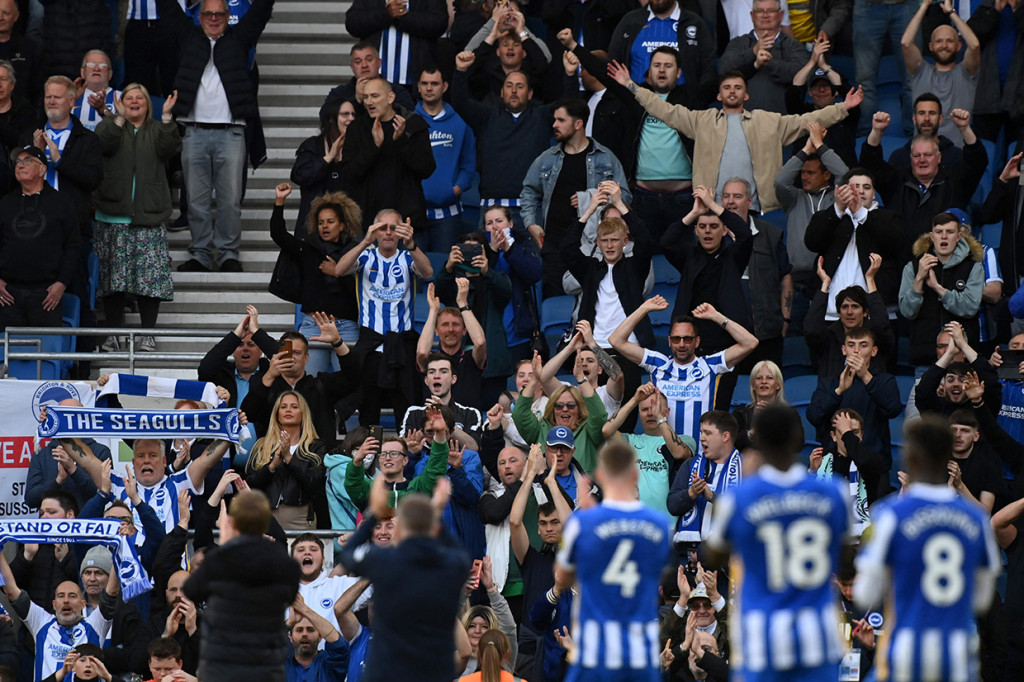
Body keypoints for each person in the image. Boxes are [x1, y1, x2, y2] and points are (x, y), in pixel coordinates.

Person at [705, 405, 850, 681]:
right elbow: (844, 561)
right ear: (798, 437)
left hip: (762, 637)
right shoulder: (834, 493)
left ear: (756, 441)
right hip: (817, 635)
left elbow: (713, 553)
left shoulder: (740, 497)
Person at [854, 418, 1000, 682]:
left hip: (906, 652)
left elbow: (865, 593)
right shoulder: (977, 518)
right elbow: (981, 598)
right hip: (956, 654)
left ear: (910, 456)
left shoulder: (889, 514)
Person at [608, 66, 862, 213]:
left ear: (746, 95)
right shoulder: (701, 120)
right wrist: (630, 85)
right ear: (718, 95)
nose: (732, 91)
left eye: (738, 87)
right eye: (727, 87)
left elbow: (807, 119)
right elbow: (663, 109)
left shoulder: (768, 121)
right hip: (710, 208)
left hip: (756, 210)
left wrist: (843, 107)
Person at [158, 0, 275, 273]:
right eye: (208, 14)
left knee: (230, 201)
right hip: (193, 132)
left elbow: (260, 11)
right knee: (196, 202)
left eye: (219, 14)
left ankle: (228, 254)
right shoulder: (187, 37)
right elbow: (168, 9)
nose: (213, 18)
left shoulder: (240, 39)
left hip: (231, 132)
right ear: (199, 17)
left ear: (228, 16)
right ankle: (199, 253)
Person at [554, 441, 671, 681]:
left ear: (599, 475)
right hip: (640, 650)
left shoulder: (583, 523)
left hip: (596, 649)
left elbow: (562, 577)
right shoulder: (660, 525)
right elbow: (656, 572)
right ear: (636, 474)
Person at [337, 475, 471, 682]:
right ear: (434, 530)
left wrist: (374, 514)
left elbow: (347, 555)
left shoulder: (383, 560)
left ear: (397, 531)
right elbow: (462, 555)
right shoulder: (451, 564)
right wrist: (436, 513)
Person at [323, 207, 433, 427]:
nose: (389, 233)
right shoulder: (366, 255)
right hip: (371, 346)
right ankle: (368, 455)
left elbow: (428, 273)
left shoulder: (406, 256)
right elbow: (340, 270)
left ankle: (408, 454)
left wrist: (411, 245)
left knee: (407, 409)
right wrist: (365, 241)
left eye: (394, 228)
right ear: (375, 230)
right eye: (383, 228)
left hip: (402, 345)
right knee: (368, 408)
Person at [93, 84, 181, 353]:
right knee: (113, 281)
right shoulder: (111, 125)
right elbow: (103, 144)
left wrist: (167, 118)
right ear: (121, 103)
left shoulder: (157, 128)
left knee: (149, 281)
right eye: (128, 97)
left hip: (149, 216)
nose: (134, 101)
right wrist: (116, 119)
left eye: (139, 97)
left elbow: (171, 149)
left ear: (147, 104)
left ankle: (147, 335)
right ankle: (112, 335)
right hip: (112, 215)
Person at [184, 490, 301, 682]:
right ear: (266, 522)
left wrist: (226, 545)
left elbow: (191, 590)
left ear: (233, 523)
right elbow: (290, 596)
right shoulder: (285, 563)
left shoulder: (221, 558)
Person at [610, 298, 759, 445]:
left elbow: (750, 342)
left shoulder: (710, 365)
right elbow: (616, 340)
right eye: (676, 339)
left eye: (687, 339)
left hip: (700, 455)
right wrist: (644, 309)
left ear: (697, 342)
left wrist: (716, 316)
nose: (681, 344)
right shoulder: (657, 363)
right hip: (663, 456)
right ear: (669, 341)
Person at [519, 98, 630, 295]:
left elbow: (625, 198)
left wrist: (590, 197)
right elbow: (528, 191)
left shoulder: (606, 158)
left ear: (578, 124)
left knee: (590, 308)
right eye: (554, 120)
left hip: (592, 247)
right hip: (554, 247)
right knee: (554, 306)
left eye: (561, 120)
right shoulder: (547, 158)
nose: (554, 125)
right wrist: (531, 223)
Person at [449, 50, 557, 227]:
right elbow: (460, 103)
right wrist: (460, 71)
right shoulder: (487, 116)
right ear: (501, 92)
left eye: (520, 86)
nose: (514, 91)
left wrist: (570, 75)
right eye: (509, 86)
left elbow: (570, 106)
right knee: (486, 256)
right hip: (492, 209)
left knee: (532, 256)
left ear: (530, 93)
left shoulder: (542, 117)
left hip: (531, 209)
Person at [271, 183, 362, 372]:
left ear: (342, 225)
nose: (325, 226)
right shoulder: (308, 248)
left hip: (346, 327)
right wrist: (280, 201)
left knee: (349, 384)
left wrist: (338, 271)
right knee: (307, 382)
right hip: (313, 326)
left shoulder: (355, 252)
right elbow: (279, 235)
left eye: (330, 221)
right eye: (320, 222)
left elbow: (356, 292)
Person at [860, 110, 987, 246]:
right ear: (910, 159)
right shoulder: (896, 182)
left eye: (928, 155)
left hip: (945, 261)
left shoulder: (954, 182)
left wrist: (964, 129)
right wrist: (877, 132)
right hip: (901, 261)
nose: (922, 160)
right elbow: (870, 164)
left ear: (939, 158)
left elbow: (977, 162)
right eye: (916, 155)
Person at [657, 186, 753, 356]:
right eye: (702, 226)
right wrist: (694, 213)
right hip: (691, 342)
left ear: (724, 231)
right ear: (696, 230)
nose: (707, 231)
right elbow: (666, 242)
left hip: (726, 340)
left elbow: (745, 234)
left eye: (714, 226)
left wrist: (713, 205)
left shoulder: (733, 256)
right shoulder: (689, 256)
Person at [773, 120, 850, 321]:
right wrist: (806, 149)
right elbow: (780, 182)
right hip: (796, 283)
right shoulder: (794, 198)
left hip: (832, 281)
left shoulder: (838, 197)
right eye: (803, 173)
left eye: (811, 173)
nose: (804, 177)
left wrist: (820, 146)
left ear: (826, 174)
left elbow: (845, 175)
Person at [0, 551, 117, 681]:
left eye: (72, 596)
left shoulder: (95, 624)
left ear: (83, 604)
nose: (66, 600)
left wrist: (120, 549)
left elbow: (111, 592)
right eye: (61, 596)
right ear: (54, 605)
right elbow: (11, 590)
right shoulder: (41, 622)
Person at [0, 145, 80, 331]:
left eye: (28, 160)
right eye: (18, 161)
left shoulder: (61, 202)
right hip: (7, 295)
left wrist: (62, 283)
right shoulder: (5, 204)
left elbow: (74, 245)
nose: (20, 165)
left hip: (46, 295)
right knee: (7, 358)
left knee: (45, 356)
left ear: (43, 169)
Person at [341, 76, 435, 233]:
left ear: (391, 97)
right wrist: (374, 146)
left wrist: (402, 142)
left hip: (407, 222)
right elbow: (349, 173)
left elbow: (427, 169)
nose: (369, 102)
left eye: (375, 96)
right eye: (365, 97)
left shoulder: (413, 124)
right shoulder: (357, 128)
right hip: (368, 224)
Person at [240, 328, 359, 447]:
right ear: (278, 356)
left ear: (306, 358)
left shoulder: (321, 385)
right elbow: (249, 414)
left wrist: (337, 342)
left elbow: (353, 377)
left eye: (297, 353)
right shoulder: (266, 384)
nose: (291, 357)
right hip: (274, 460)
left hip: (317, 461)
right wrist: (270, 375)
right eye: (286, 352)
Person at [807, 326, 903, 473]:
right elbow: (814, 416)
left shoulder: (885, 381)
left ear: (874, 351)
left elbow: (893, 408)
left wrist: (865, 376)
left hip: (874, 462)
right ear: (844, 350)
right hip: (835, 463)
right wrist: (838, 391)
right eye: (851, 345)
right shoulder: (829, 383)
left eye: (863, 345)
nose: (857, 350)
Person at [898, 211, 985, 367]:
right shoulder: (914, 266)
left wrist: (938, 288)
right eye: (939, 232)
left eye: (950, 232)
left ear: (958, 236)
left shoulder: (973, 267)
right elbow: (907, 311)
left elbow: (970, 307)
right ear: (932, 236)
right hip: (925, 356)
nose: (944, 236)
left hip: (961, 358)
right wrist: (918, 280)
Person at [512, 352, 609, 476]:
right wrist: (535, 379)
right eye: (558, 406)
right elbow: (519, 414)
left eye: (571, 405)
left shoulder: (589, 431)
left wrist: (581, 378)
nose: (564, 409)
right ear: (552, 409)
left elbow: (599, 416)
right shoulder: (540, 430)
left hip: (583, 493)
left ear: (579, 409)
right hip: (544, 492)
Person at [901, 0, 981, 147]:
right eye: (939, 41)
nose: (944, 46)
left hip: (957, 155)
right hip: (922, 155)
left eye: (950, 41)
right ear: (931, 46)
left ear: (959, 46)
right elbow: (906, 43)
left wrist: (951, 13)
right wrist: (924, 6)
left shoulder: (966, 73)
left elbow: (975, 45)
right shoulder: (920, 71)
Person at [244, 391, 327, 529]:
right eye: (283, 407)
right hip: (265, 514)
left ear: (303, 413)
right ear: (276, 414)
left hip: (300, 516)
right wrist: (271, 467)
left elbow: (315, 484)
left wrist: (289, 457)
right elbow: (249, 484)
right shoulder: (262, 445)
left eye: (294, 406)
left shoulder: (316, 447)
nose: (288, 410)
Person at [605, 0, 717, 102]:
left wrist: (697, 101)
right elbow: (614, 63)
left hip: (683, 110)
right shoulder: (629, 21)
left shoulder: (695, 23)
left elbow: (708, 68)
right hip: (635, 106)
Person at [415, 65, 476, 252]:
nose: (429, 88)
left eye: (434, 84)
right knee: (415, 271)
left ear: (445, 86)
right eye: (424, 83)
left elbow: (468, 166)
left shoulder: (460, 123)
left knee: (445, 270)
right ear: (418, 86)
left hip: (449, 215)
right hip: (415, 213)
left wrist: (454, 190)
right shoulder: (408, 121)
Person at [346, 407, 449, 510]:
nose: (387, 458)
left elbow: (436, 469)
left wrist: (440, 433)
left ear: (405, 460)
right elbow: (353, 483)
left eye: (394, 453)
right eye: (383, 454)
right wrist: (357, 460)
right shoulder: (370, 488)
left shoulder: (418, 487)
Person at [719, 0, 808, 114]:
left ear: (781, 15)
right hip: (743, 120)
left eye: (770, 11)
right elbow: (724, 70)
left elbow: (802, 76)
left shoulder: (793, 45)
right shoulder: (737, 43)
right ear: (752, 16)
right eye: (760, 11)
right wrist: (753, 51)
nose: (765, 15)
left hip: (782, 122)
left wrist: (769, 62)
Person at [809, 408, 885, 533]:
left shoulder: (872, 459)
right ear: (833, 436)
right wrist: (812, 472)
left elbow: (864, 462)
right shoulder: (822, 461)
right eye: (843, 432)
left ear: (862, 435)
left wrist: (846, 432)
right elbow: (809, 499)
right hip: (830, 533)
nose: (849, 436)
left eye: (855, 432)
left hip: (863, 537)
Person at [289, 96, 356, 235]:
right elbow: (300, 175)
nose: (351, 118)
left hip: (347, 228)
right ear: (331, 118)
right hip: (313, 227)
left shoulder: (358, 147)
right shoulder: (313, 145)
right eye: (345, 114)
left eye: (353, 114)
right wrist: (328, 158)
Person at [415, 281, 487, 410]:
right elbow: (421, 353)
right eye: (444, 325)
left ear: (465, 330)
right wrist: (433, 311)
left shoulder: (471, 358)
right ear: (436, 330)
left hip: (468, 426)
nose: (450, 329)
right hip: (434, 424)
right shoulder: (431, 361)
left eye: (456, 324)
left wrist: (463, 304)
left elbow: (480, 342)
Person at [344, 0, 447, 90]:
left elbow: (440, 23)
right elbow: (352, 23)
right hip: (376, 82)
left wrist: (403, 18)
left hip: (416, 82)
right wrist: (386, 15)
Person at [197, 306, 280, 408]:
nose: (245, 348)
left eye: (251, 344)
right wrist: (235, 336)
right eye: (239, 345)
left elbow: (285, 360)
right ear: (232, 351)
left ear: (260, 351)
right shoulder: (223, 374)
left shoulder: (271, 372)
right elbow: (205, 369)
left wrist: (257, 332)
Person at [401, 353, 483, 448]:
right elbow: (402, 448)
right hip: (422, 462)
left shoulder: (470, 413)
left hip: (457, 462)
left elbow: (474, 447)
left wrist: (444, 418)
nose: (436, 376)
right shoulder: (413, 412)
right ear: (426, 380)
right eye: (432, 372)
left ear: (453, 379)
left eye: (443, 371)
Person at [285, 594, 350, 682]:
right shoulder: (281, 664)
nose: (304, 634)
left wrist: (305, 609)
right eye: (299, 630)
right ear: (291, 637)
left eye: (310, 630)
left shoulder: (329, 664)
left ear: (320, 637)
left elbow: (339, 644)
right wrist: (289, 623)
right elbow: (266, 645)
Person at [732, 360, 787, 449]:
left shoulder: (788, 413)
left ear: (778, 385)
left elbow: (797, 445)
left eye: (769, 378)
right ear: (753, 385)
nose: (764, 381)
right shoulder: (740, 413)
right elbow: (731, 444)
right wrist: (754, 427)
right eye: (759, 378)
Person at [71, 51, 119, 132]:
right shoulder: (71, 96)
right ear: (82, 72)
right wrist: (70, 100)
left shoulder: (121, 97)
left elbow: (123, 131)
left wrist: (104, 110)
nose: (96, 69)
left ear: (110, 74)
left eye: (102, 65)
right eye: (91, 65)